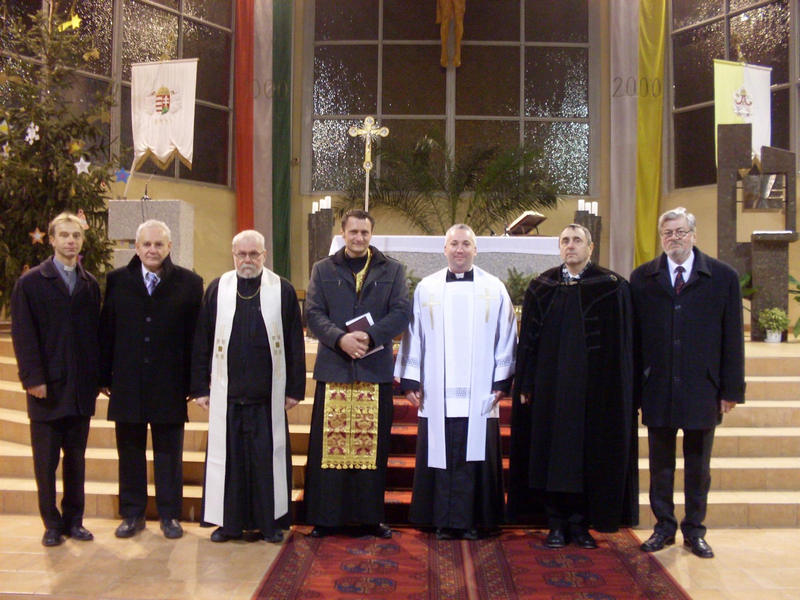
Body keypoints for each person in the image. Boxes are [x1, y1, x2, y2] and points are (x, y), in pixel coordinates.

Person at [509, 224, 638, 549]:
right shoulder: (542, 287)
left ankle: (580, 524)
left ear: (590, 248)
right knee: (549, 454)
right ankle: (555, 523)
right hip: (549, 389)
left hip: (593, 392)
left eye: (577, 240)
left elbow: (623, 347)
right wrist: (526, 382)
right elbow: (528, 342)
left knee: (587, 455)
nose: (570, 246)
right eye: (565, 241)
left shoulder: (611, 287)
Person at [630, 207, 745, 559]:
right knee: (660, 466)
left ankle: (694, 530)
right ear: (661, 238)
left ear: (693, 234)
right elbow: (634, 340)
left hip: (702, 386)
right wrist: (635, 389)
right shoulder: (642, 278)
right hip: (658, 385)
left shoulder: (723, 277)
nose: (674, 238)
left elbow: (732, 338)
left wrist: (731, 389)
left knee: (698, 466)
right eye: (667, 233)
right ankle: (664, 527)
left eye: (680, 232)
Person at [395, 224, 516, 540]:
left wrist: (501, 380)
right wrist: (410, 379)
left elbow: (507, 335)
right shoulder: (427, 288)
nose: (459, 250)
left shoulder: (494, 288)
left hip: (481, 393)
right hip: (436, 392)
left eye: (465, 244)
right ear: (444, 249)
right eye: (454, 244)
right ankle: (439, 520)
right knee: (440, 452)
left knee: (475, 454)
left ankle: (475, 521)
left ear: (475, 249)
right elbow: (413, 334)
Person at [191, 230, 305, 543]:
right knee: (230, 465)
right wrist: (200, 387)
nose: (247, 260)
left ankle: (270, 524)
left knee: (266, 464)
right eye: (241, 254)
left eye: (254, 254)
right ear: (233, 255)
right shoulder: (218, 288)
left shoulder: (282, 289)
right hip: (227, 396)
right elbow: (202, 339)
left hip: (267, 398)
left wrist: (294, 388)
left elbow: (294, 342)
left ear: (264, 255)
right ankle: (228, 525)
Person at [304, 209, 410, 538]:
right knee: (329, 448)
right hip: (335, 367)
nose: (359, 238)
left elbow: (401, 312)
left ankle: (370, 518)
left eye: (364, 232)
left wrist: (371, 336)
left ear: (371, 234)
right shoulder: (323, 268)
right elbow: (313, 312)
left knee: (372, 450)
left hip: (373, 369)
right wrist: (340, 339)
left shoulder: (392, 269)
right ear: (343, 233)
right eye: (353, 232)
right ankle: (325, 518)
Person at [99, 220, 203, 540]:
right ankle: (132, 514)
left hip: (170, 383)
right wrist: (103, 376)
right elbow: (107, 330)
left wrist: (195, 382)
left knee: (169, 454)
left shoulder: (189, 283)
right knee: (129, 452)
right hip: (127, 381)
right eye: (146, 244)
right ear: (137, 247)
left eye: (159, 244)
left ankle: (170, 515)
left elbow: (196, 338)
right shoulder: (117, 280)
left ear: (170, 247)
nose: (152, 250)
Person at [10, 212, 100, 547]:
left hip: (79, 388)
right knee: (46, 462)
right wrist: (32, 378)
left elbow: (95, 336)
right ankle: (51, 522)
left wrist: (97, 379)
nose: (70, 241)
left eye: (75, 235)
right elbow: (23, 334)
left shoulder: (89, 284)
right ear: (51, 240)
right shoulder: (31, 282)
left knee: (76, 460)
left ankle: (75, 520)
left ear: (82, 241)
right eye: (64, 235)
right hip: (46, 387)